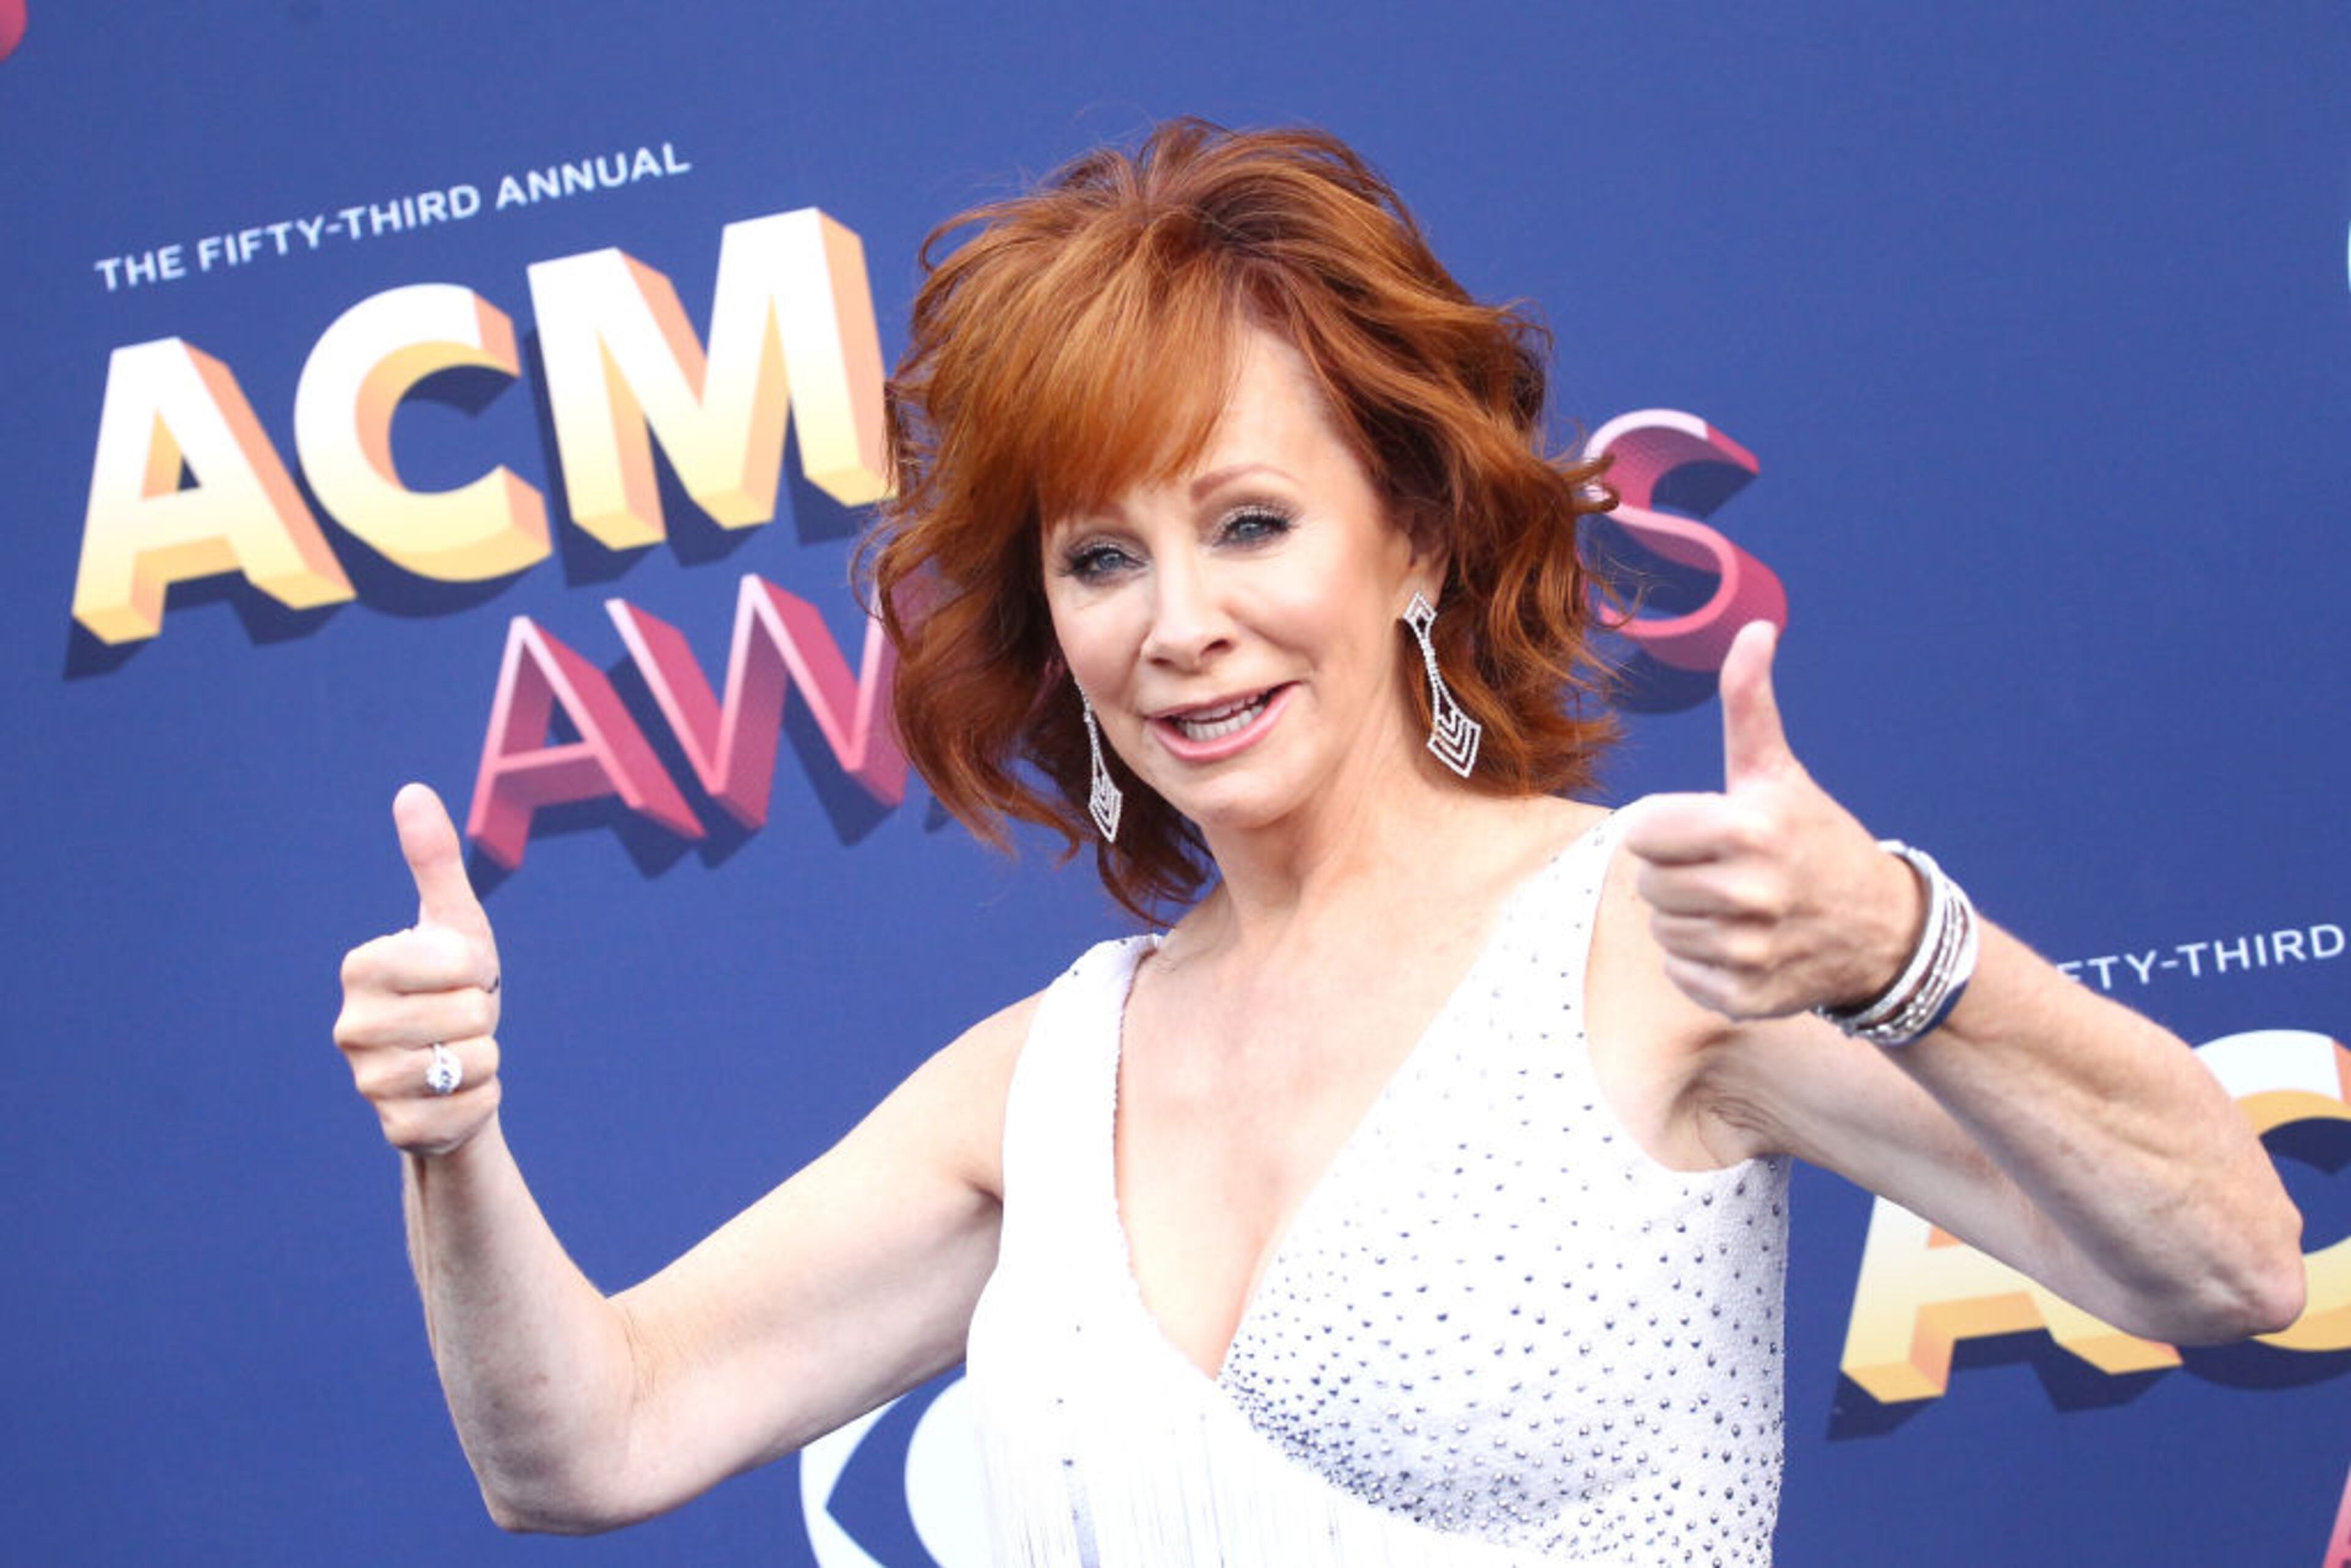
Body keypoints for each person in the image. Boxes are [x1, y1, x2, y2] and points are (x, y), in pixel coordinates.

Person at [334, 121, 2304, 1566]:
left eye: (1248, 523)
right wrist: (454, 1140)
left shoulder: (1639, 949)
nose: (1175, 618)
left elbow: (2231, 1261)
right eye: (1102, 557)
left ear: (1419, 536)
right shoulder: (1043, 1081)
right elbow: (584, 1439)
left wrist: (1896, 943)